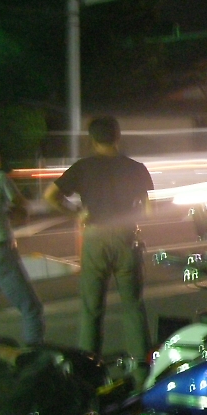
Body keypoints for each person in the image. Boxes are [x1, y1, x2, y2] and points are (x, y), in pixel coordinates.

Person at [43, 116, 153, 361]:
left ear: (92, 139)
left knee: (91, 309)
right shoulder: (136, 168)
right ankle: (141, 367)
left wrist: (76, 213)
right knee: (133, 306)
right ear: (118, 136)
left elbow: (50, 195)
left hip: (95, 238)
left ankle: (89, 365)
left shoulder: (83, 167)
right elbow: (148, 211)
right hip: (126, 238)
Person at [0, 153, 44, 344]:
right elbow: (20, 204)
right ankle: (33, 355)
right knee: (31, 309)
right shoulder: (0, 178)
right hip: (1, 250)